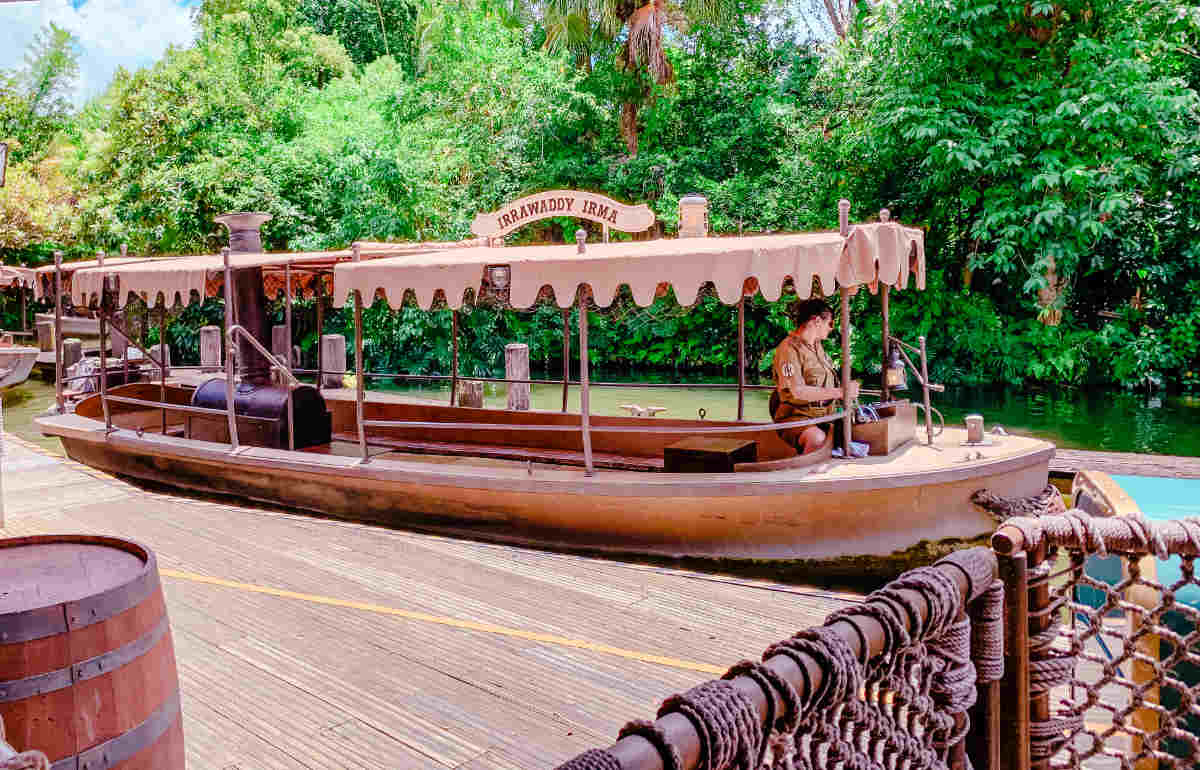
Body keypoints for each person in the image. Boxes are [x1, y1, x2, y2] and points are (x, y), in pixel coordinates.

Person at [770, 298, 858, 454]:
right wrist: (840, 392)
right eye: (830, 323)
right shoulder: (788, 350)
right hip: (797, 417)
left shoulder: (817, 347)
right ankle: (805, 474)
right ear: (817, 321)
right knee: (817, 439)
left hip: (825, 415)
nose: (831, 328)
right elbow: (798, 391)